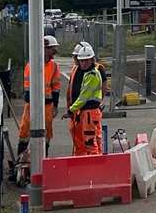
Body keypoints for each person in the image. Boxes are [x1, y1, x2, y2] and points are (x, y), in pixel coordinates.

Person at [18, 35, 63, 169]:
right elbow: (27, 85)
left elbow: (56, 87)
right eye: (52, 49)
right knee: (25, 131)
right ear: (44, 49)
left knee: (47, 133)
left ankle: (44, 160)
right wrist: (30, 101)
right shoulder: (31, 65)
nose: (54, 52)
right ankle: (21, 161)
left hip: (47, 105)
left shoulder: (54, 66)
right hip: (32, 104)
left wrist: (55, 106)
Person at [67, 42, 108, 156]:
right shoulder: (83, 71)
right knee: (84, 141)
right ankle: (84, 163)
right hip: (82, 112)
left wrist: (71, 109)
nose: (83, 63)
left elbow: (84, 96)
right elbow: (72, 90)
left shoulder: (92, 74)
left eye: (86, 60)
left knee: (90, 142)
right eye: (81, 60)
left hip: (89, 112)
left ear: (92, 60)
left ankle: (94, 166)